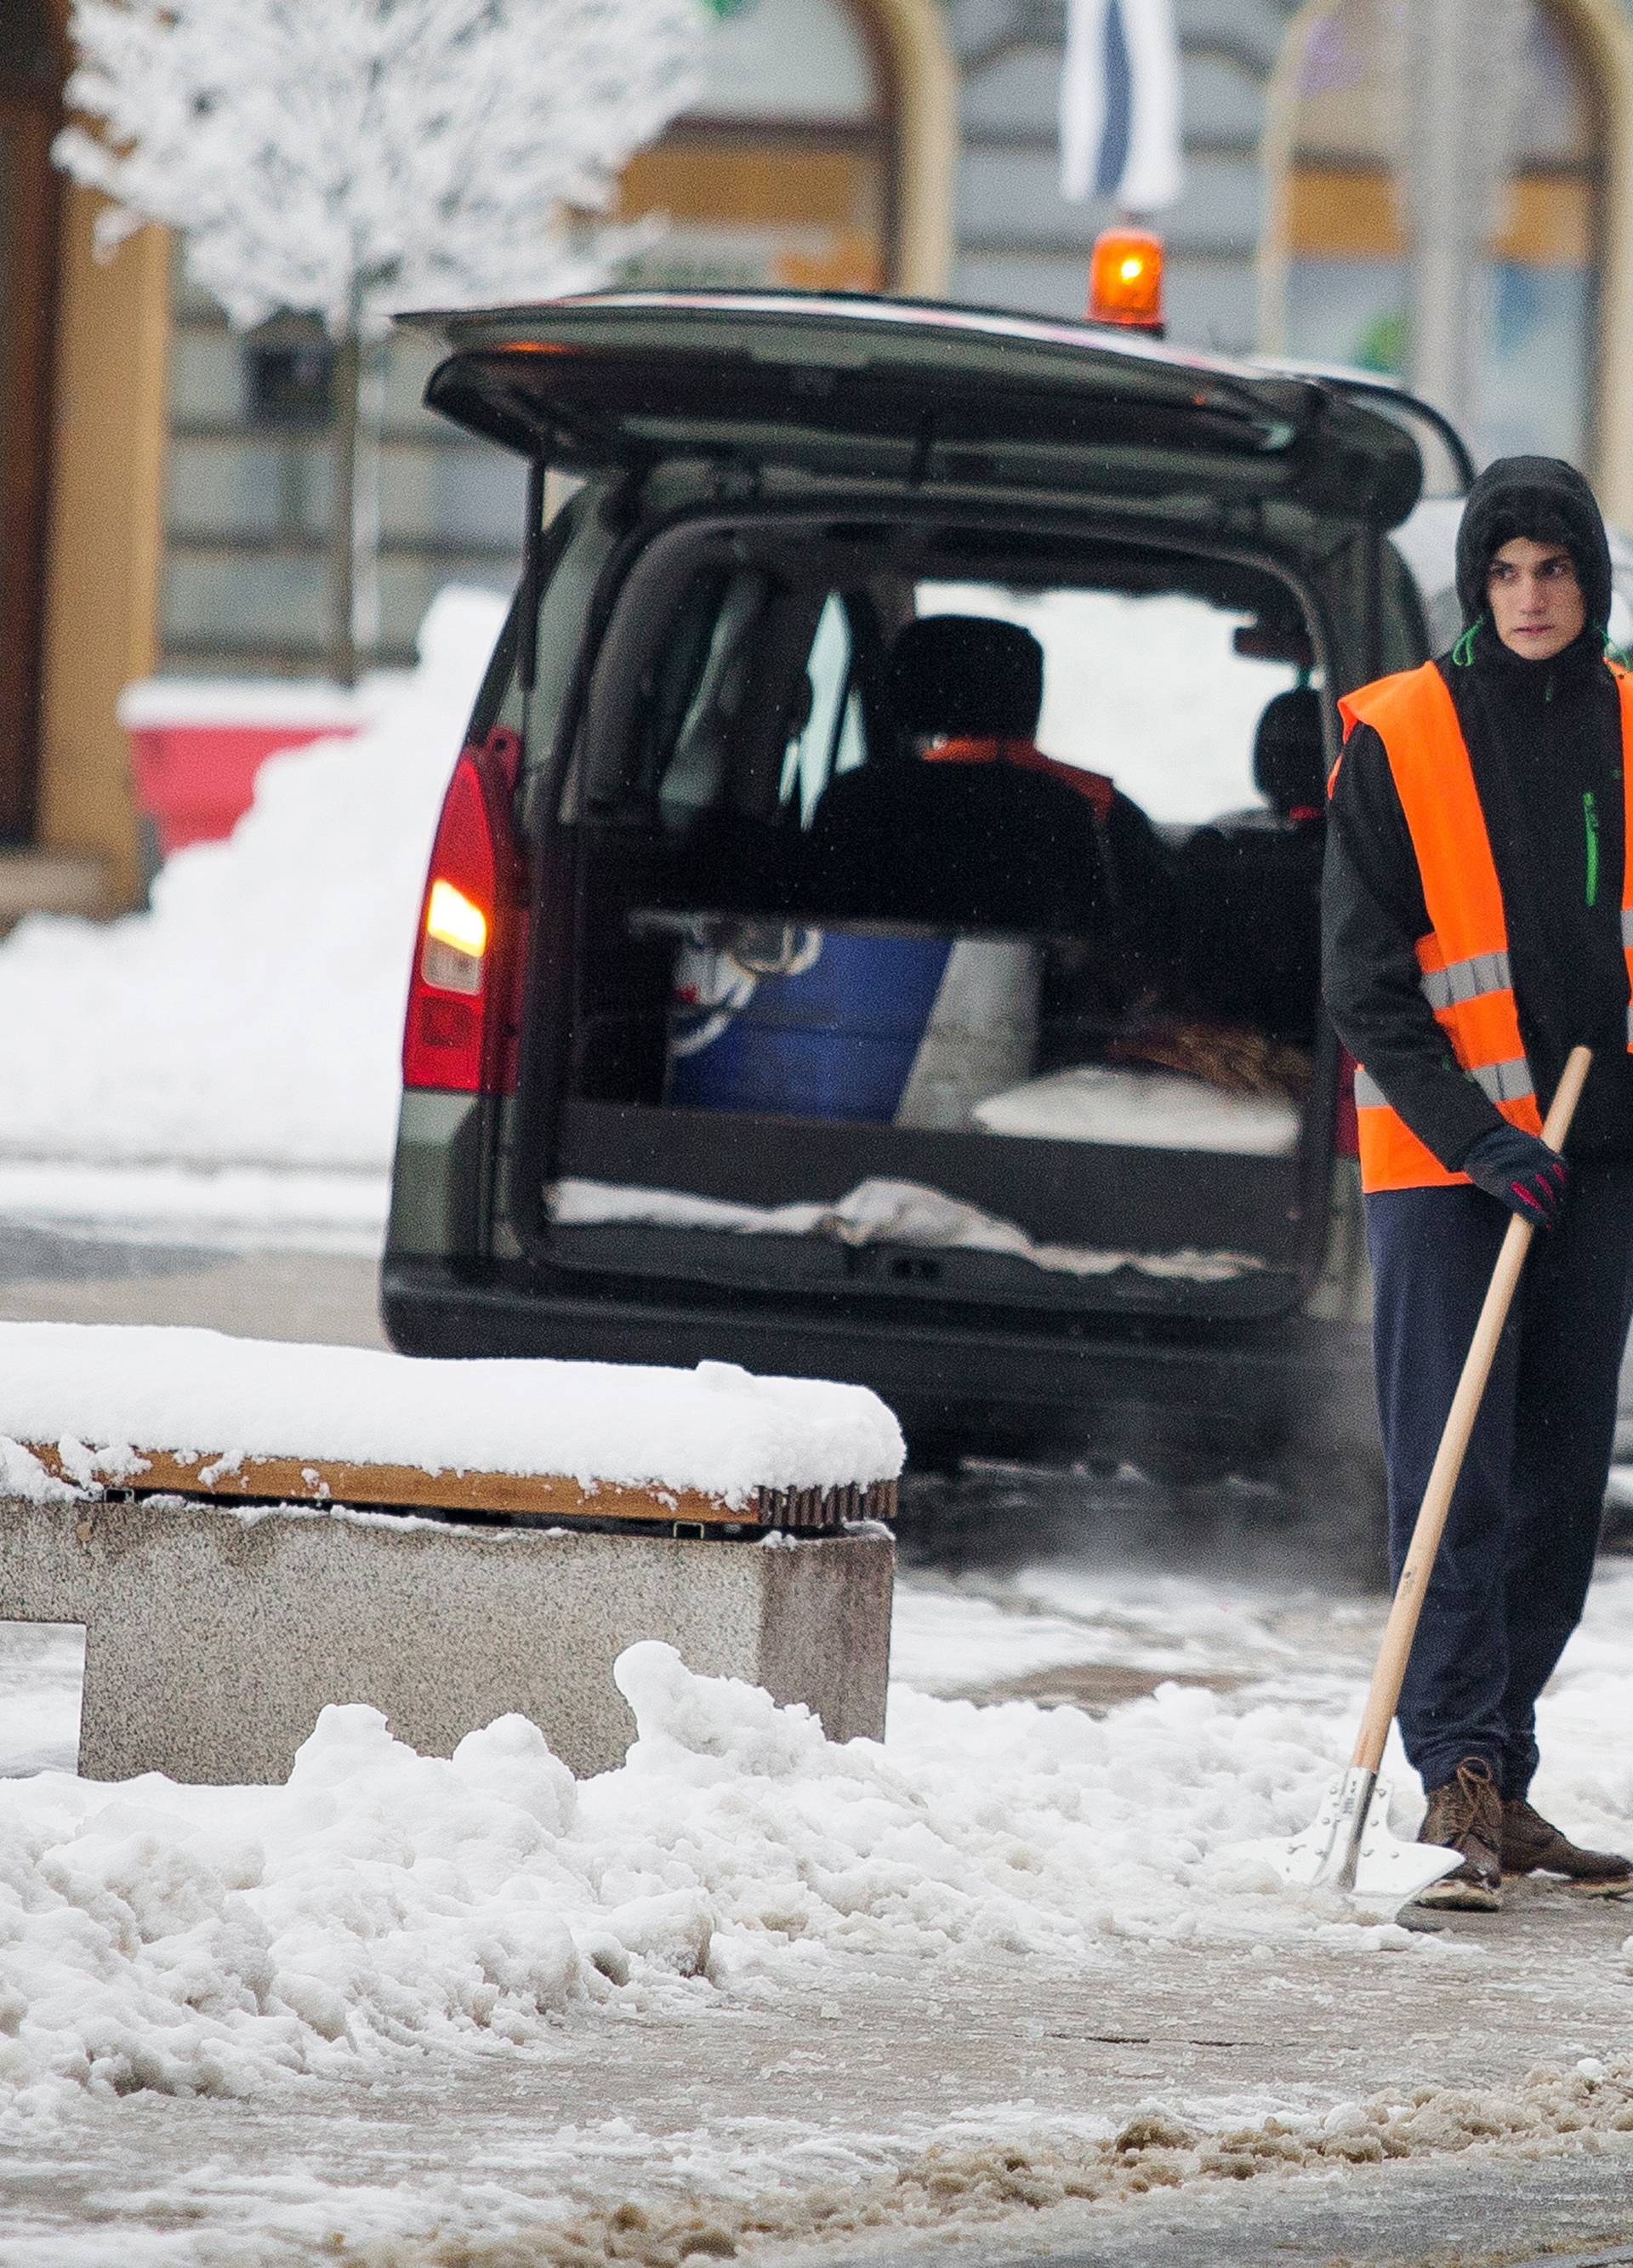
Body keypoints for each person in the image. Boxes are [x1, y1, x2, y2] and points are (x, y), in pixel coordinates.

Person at [1323, 454, 1633, 1911]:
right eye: (1505, 571)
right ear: (1473, 581)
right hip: (1452, 1165)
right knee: (1465, 1476)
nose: (1530, 597)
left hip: (1599, 1157)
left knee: (1563, 1486)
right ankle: (1449, 1768)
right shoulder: (1398, 732)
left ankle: (1499, 1771)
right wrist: (1477, 1133)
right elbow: (1367, 984)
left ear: (1592, 580)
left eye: (1555, 570)